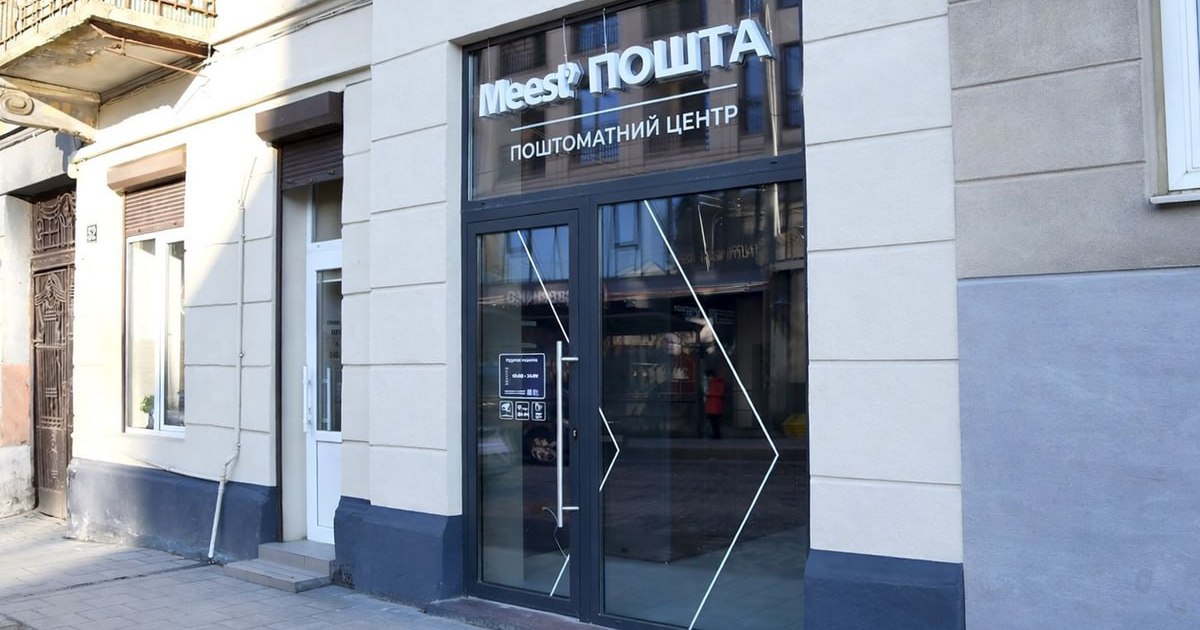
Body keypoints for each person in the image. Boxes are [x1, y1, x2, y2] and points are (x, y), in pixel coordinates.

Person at [704, 368, 726, 440]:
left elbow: (718, 392)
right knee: (714, 422)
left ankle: (716, 435)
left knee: (714, 422)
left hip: (714, 406)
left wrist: (709, 393)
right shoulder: (717, 382)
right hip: (715, 406)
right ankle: (716, 434)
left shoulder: (715, 382)